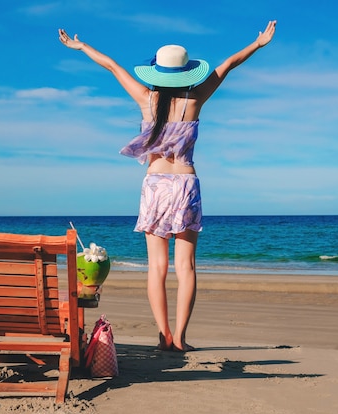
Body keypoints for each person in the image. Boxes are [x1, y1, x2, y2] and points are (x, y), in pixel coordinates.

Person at [58, 21, 277, 352]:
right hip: (186, 184)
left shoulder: (146, 99)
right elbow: (227, 65)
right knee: (186, 267)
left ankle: (164, 337)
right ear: (187, 74)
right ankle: (182, 339)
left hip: (156, 186)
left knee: (157, 268)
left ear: (156, 72)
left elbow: (112, 66)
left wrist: (82, 47)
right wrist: (258, 43)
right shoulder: (194, 101)